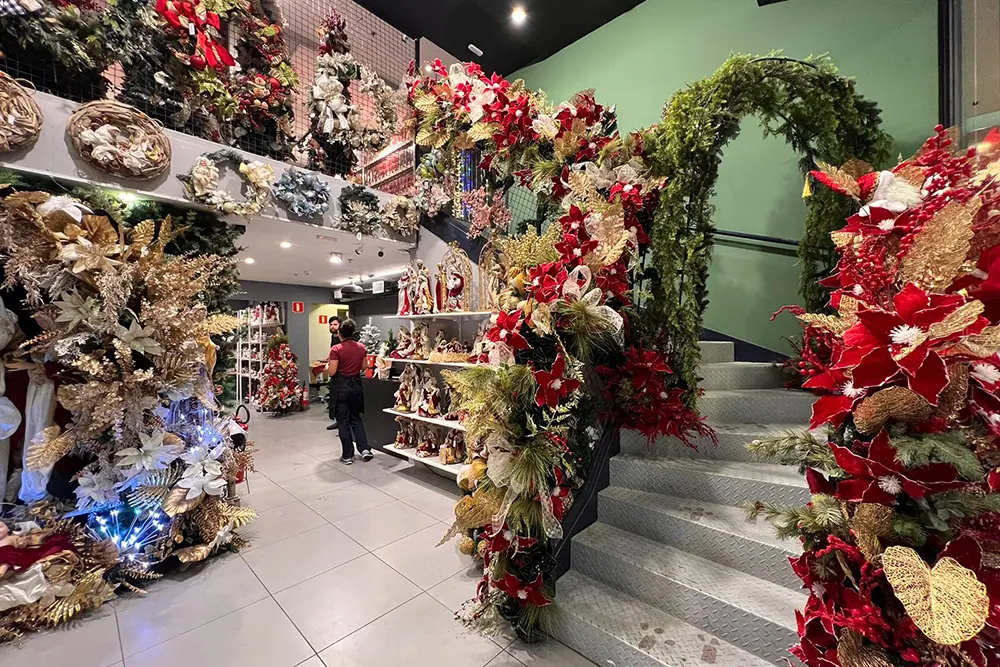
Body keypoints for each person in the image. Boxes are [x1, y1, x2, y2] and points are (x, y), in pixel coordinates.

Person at [327, 319, 372, 464]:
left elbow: (332, 371)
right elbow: (364, 366)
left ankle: (347, 455)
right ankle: (365, 449)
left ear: (340, 333)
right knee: (356, 418)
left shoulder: (336, 349)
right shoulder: (361, 347)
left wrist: (325, 368)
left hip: (341, 388)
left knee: (343, 422)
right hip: (356, 386)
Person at [325, 316, 341, 430]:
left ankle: (341, 422)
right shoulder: (333, 336)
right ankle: (338, 421)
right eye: (331, 324)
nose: (332, 327)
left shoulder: (341, 337)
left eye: (335, 324)